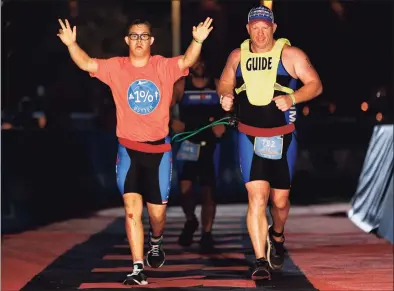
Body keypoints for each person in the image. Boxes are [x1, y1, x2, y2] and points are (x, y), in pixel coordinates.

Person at [57, 17, 213, 285]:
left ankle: (156, 241)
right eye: (134, 36)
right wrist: (72, 44)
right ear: (127, 40)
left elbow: (187, 61)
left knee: (157, 215)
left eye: (144, 36)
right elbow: (86, 63)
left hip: (159, 151)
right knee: (131, 210)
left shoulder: (162, 66)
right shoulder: (116, 67)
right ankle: (138, 268)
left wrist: (197, 40)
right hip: (128, 150)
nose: (139, 40)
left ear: (151, 41)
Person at [218, 6, 322, 280]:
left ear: (274, 28)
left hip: (283, 137)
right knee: (256, 198)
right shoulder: (237, 56)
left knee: (280, 201)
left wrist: (293, 98)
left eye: (266, 27)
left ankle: (277, 235)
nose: (260, 32)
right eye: (255, 27)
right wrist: (225, 96)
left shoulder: (290, 55)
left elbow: (315, 84)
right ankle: (260, 260)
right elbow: (225, 81)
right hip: (249, 136)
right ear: (248, 29)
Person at [171, 54, 225, 252]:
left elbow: (231, 108)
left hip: (211, 144)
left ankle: (207, 233)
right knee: (185, 187)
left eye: (202, 61)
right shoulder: (181, 86)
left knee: (208, 190)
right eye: (195, 62)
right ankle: (190, 220)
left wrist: (224, 124)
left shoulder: (217, 84)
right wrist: (171, 123)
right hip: (188, 143)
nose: (199, 65)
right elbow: (163, 109)